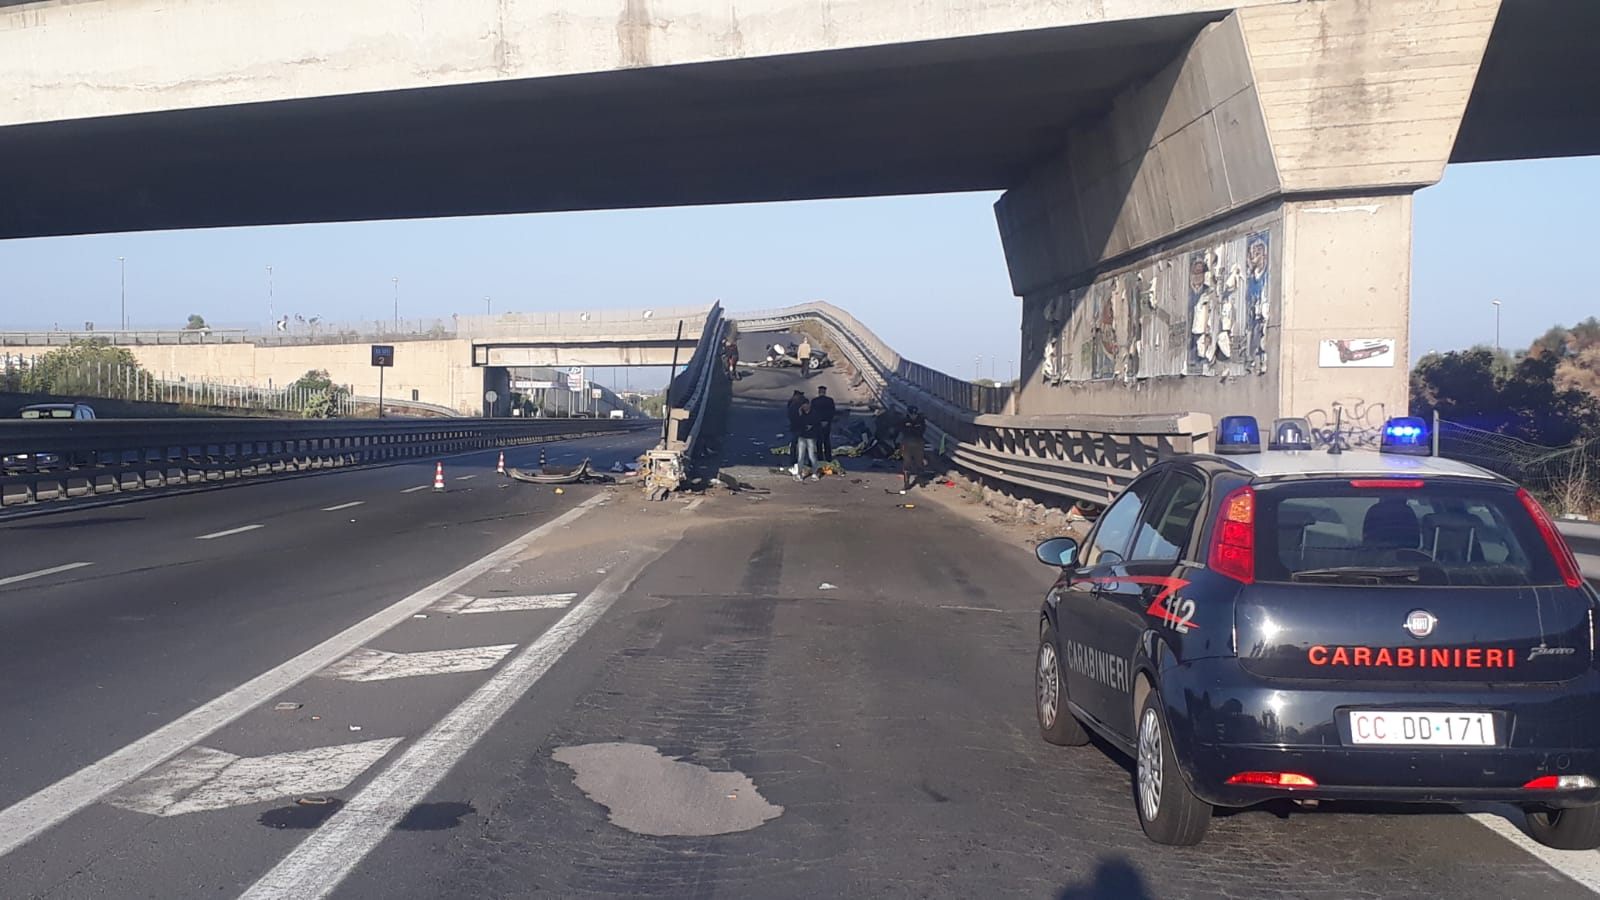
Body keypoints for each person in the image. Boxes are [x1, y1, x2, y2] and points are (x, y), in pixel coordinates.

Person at [898, 404, 927, 492]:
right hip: (907, 444)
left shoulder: (921, 420)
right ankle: (906, 484)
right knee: (907, 463)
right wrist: (913, 429)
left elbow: (922, 431)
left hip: (918, 443)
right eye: (912, 414)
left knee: (919, 462)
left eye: (915, 414)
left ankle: (921, 481)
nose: (913, 415)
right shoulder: (904, 420)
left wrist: (912, 428)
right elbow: (902, 430)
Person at [794, 401, 822, 481]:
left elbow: (817, 425)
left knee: (812, 455)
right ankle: (799, 474)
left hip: (811, 438)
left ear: (809, 405)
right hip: (802, 437)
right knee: (800, 456)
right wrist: (799, 415)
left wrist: (811, 427)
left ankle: (815, 472)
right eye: (803, 406)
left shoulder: (814, 414)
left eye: (805, 405)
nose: (804, 407)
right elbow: (798, 424)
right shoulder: (801, 414)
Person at [811, 385, 836, 462]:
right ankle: (828, 457)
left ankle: (820, 458)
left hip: (818, 424)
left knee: (819, 441)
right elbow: (832, 412)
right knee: (827, 440)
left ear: (819, 392)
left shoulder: (814, 401)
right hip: (827, 423)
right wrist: (828, 421)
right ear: (825, 392)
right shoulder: (830, 400)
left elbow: (812, 413)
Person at [785, 389, 807, 474]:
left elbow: (790, 414)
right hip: (801, 427)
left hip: (795, 426)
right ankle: (801, 461)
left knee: (795, 444)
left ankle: (794, 461)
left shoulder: (792, 402)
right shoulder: (803, 402)